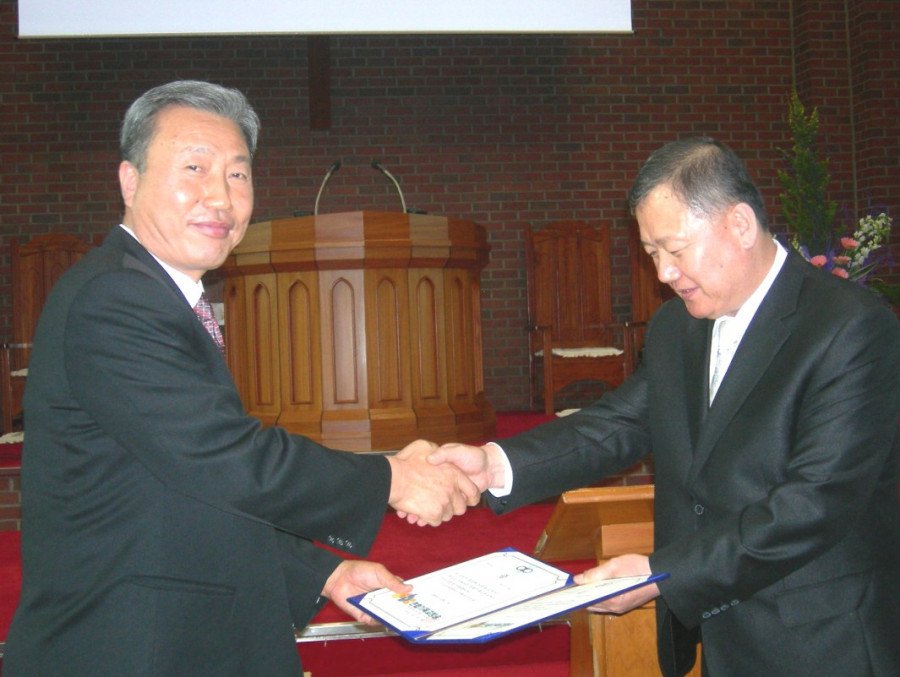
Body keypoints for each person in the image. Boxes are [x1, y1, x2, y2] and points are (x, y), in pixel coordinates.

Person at [3, 80, 480, 676]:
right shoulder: (117, 297)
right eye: (194, 168)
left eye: (238, 174)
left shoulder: (151, 291)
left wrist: (324, 573)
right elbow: (226, 459)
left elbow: (181, 483)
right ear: (130, 180)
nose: (220, 197)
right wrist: (394, 478)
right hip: (130, 645)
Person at [427, 137, 900, 675]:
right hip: (721, 635)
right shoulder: (677, 325)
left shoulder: (848, 326)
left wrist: (664, 574)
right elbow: (620, 423)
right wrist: (494, 464)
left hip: (821, 636)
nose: (663, 274)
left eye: (674, 250)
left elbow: (815, 504)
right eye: (652, 254)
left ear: (740, 225)